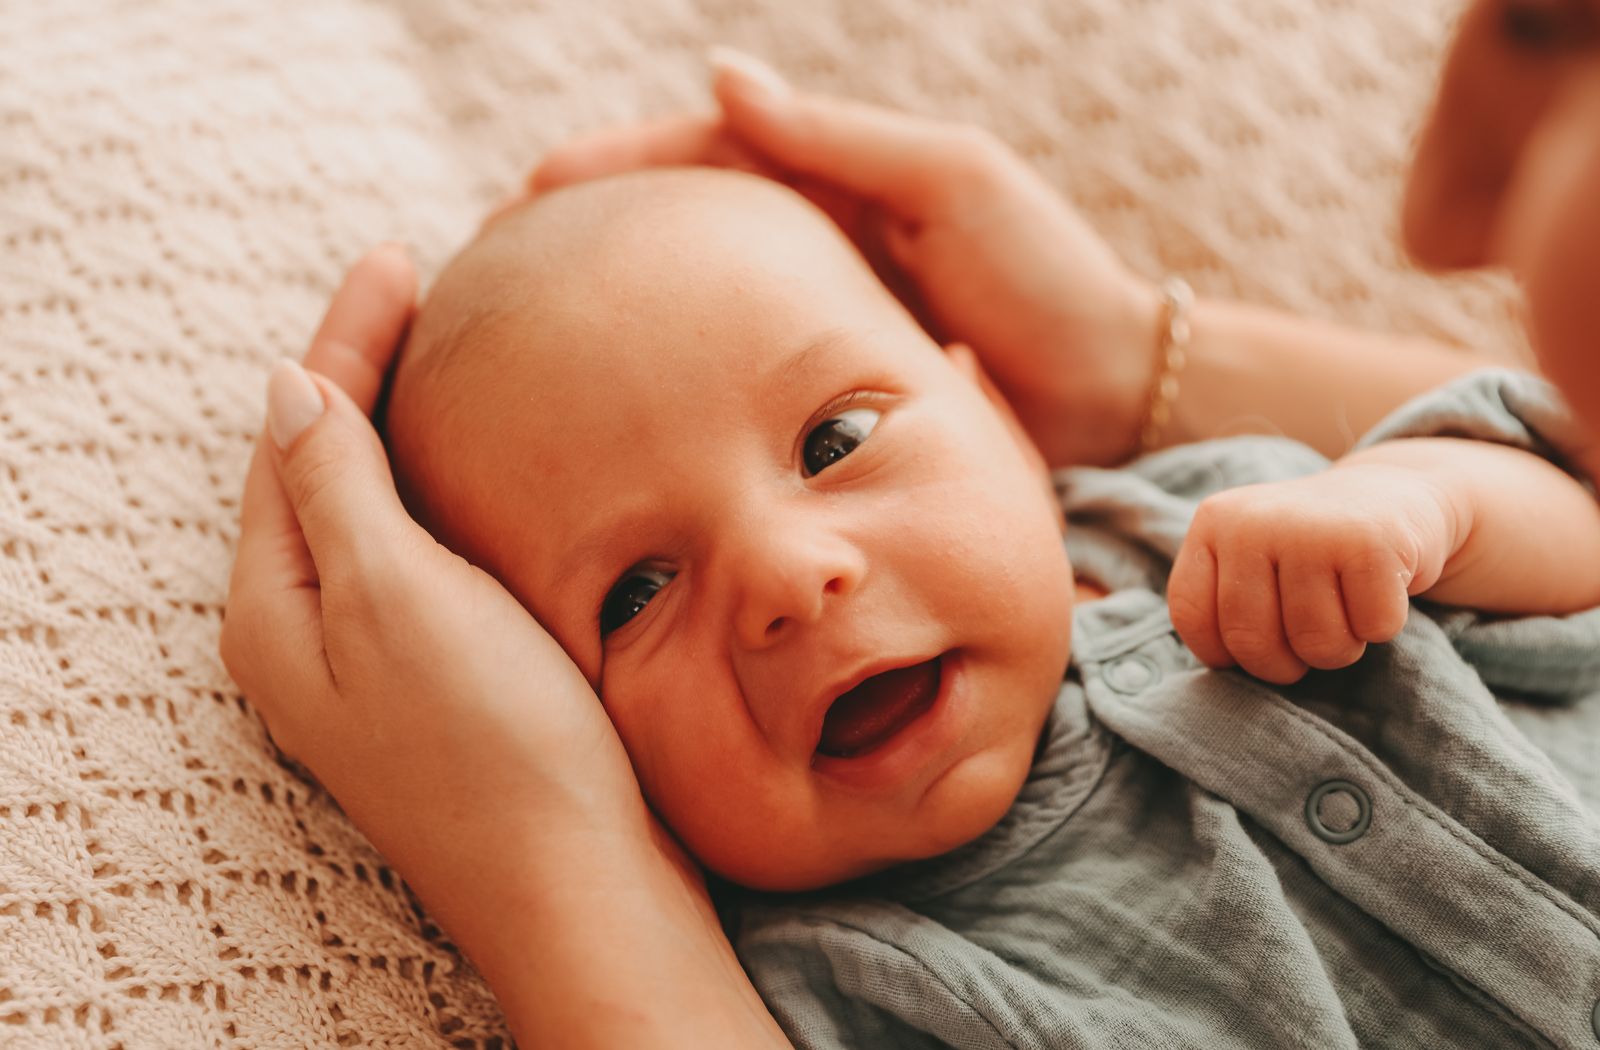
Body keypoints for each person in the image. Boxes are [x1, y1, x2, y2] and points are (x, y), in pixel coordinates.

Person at [221, 16, 1600, 1048]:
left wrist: (1423, 505)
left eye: (834, 441)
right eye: (635, 590)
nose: (784, 575)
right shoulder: (839, 983)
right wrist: (540, 837)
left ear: (994, 404)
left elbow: (1579, 543)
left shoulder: (1220, 520)